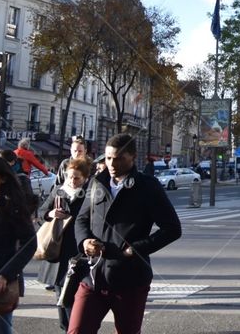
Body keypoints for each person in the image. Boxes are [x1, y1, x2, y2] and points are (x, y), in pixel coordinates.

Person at [68, 133, 182, 334]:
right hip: (93, 276)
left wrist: (135, 249)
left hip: (130, 279)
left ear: (132, 157)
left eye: (118, 158)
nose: (112, 163)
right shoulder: (96, 183)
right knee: (77, 330)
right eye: (108, 158)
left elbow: (172, 229)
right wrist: (85, 241)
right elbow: (81, 219)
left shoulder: (148, 186)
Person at [0, 155, 37, 334]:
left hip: (1, 277)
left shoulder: (13, 206)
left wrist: (6, 275)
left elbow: (29, 244)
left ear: (3, 178)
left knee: (2, 328)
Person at [42, 157, 92, 331]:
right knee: (60, 295)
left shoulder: (90, 194)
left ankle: (74, 328)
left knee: (76, 297)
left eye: (76, 177)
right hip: (58, 250)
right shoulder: (58, 190)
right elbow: (42, 212)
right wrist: (51, 213)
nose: (71, 180)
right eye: (69, 176)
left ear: (85, 178)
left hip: (79, 252)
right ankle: (66, 328)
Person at [0, 149, 39, 218]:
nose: (0, 165)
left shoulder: (21, 178)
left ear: (12, 162)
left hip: (14, 219)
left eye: (3, 162)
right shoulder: (1, 175)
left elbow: (28, 201)